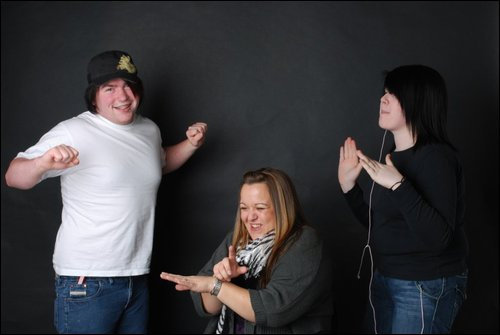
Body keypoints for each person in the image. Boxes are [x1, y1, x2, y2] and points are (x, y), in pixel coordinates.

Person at [4, 50, 207, 334]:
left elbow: (157, 164)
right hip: (87, 280)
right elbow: (14, 176)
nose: (123, 96)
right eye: (109, 88)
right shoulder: (74, 131)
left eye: (128, 85)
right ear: (94, 97)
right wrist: (41, 163)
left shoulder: (148, 129)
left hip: (136, 276)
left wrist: (191, 145)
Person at [338, 65, 468, 334]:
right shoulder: (393, 156)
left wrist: (398, 185)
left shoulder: (436, 158)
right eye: (384, 93)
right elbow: (382, 226)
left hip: (424, 284)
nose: (383, 99)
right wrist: (349, 187)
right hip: (386, 278)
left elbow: (438, 238)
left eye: (393, 94)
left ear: (418, 102)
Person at [160, 168, 333, 333]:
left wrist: (215, 285)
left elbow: (273, 311)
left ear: (282, 207)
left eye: (260, 208)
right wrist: (221, 279)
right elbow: (207, 307)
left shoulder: (305, 242)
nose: (250, 217)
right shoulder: (237, 240)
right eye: (244, 208)